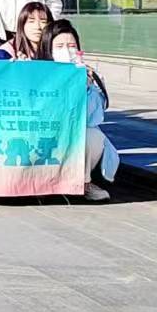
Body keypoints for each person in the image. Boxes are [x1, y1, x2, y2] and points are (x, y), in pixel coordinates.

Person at [50, 19, 116, 201]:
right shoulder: (42, 74)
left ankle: (84, 183)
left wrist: (86, 88)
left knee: (92, 136)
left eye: (71, 46)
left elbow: (93, 119)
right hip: (50, 134)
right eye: (59, 46)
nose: (66, 51)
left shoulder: (90, 75)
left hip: (76, 134)